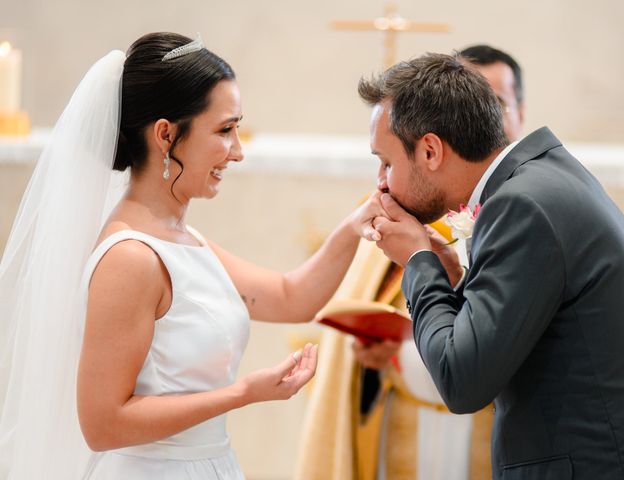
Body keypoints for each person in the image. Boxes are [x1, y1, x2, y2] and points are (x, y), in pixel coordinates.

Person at [0, 32, 386, 479]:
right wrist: (242, 393)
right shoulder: (131, 257)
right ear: (165, 134)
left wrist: (356, 224)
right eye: (224, 130)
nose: (238, 152)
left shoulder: (184, 239)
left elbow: (289, 297)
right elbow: (103, 425)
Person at [362, 52, 624, 478]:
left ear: (431, 150)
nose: (381, 181)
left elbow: (462, 381)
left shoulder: (520, 205)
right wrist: (454, 273)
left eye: (387, 162)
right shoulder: (543, 179)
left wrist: (417, 262)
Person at [294, 45, 525, 480]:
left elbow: (507, 347)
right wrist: (384, 354)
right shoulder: (406, 208)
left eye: (495, 104)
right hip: (407, 432)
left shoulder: (523, 213)